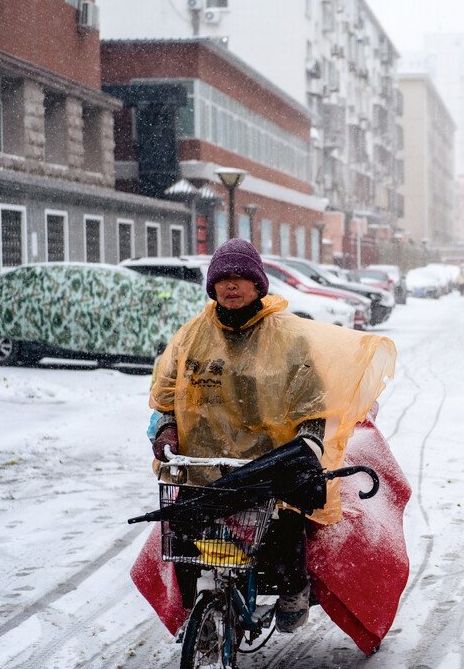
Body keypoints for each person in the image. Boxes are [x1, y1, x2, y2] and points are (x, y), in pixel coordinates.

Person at [149, 239, 395, 632]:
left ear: (258, 285)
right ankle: (202, 617)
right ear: (212, 286)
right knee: (182, 537)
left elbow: (313, 402)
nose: (232, 286)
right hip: (204, 466)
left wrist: (310, 444)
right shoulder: (192, 336)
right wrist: (164, 430)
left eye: (241, 278)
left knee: (283, 528)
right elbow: (165, 396)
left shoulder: (287, 339)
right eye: (223, 278)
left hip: (267, 466)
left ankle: (294, 589)